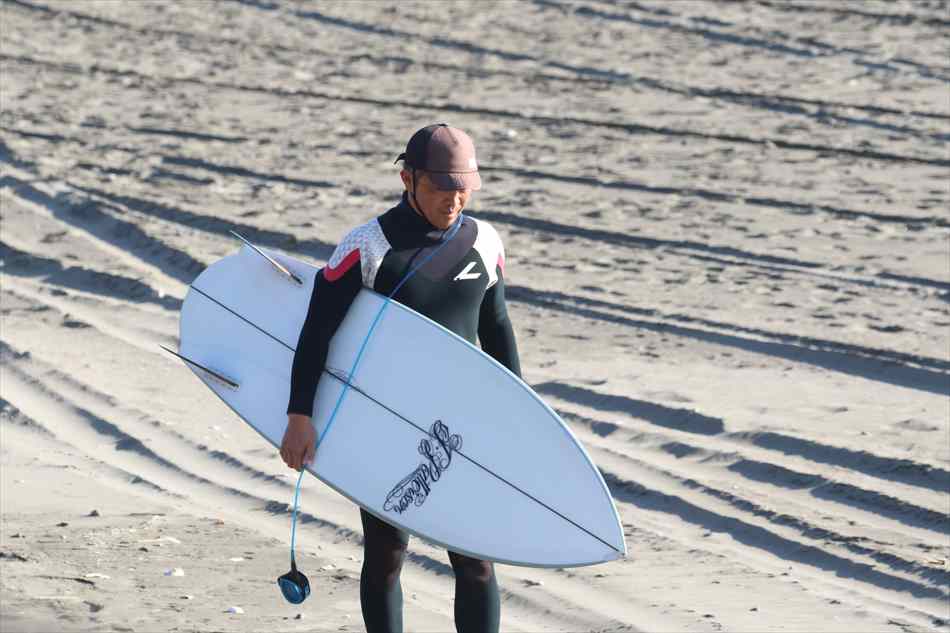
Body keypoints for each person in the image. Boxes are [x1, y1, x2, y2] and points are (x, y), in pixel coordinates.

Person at [279, 123, 520, 633]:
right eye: (441, 188)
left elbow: (497, 327)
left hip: (461, 423)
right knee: (387, 555)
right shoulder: (368, 245)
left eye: (463, 189)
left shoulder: (484, 241)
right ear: (408, 179)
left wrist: (519, 416)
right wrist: (299, 415)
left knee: (476, 560)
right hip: (386, 421)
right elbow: (317, 332)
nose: (454, 201)